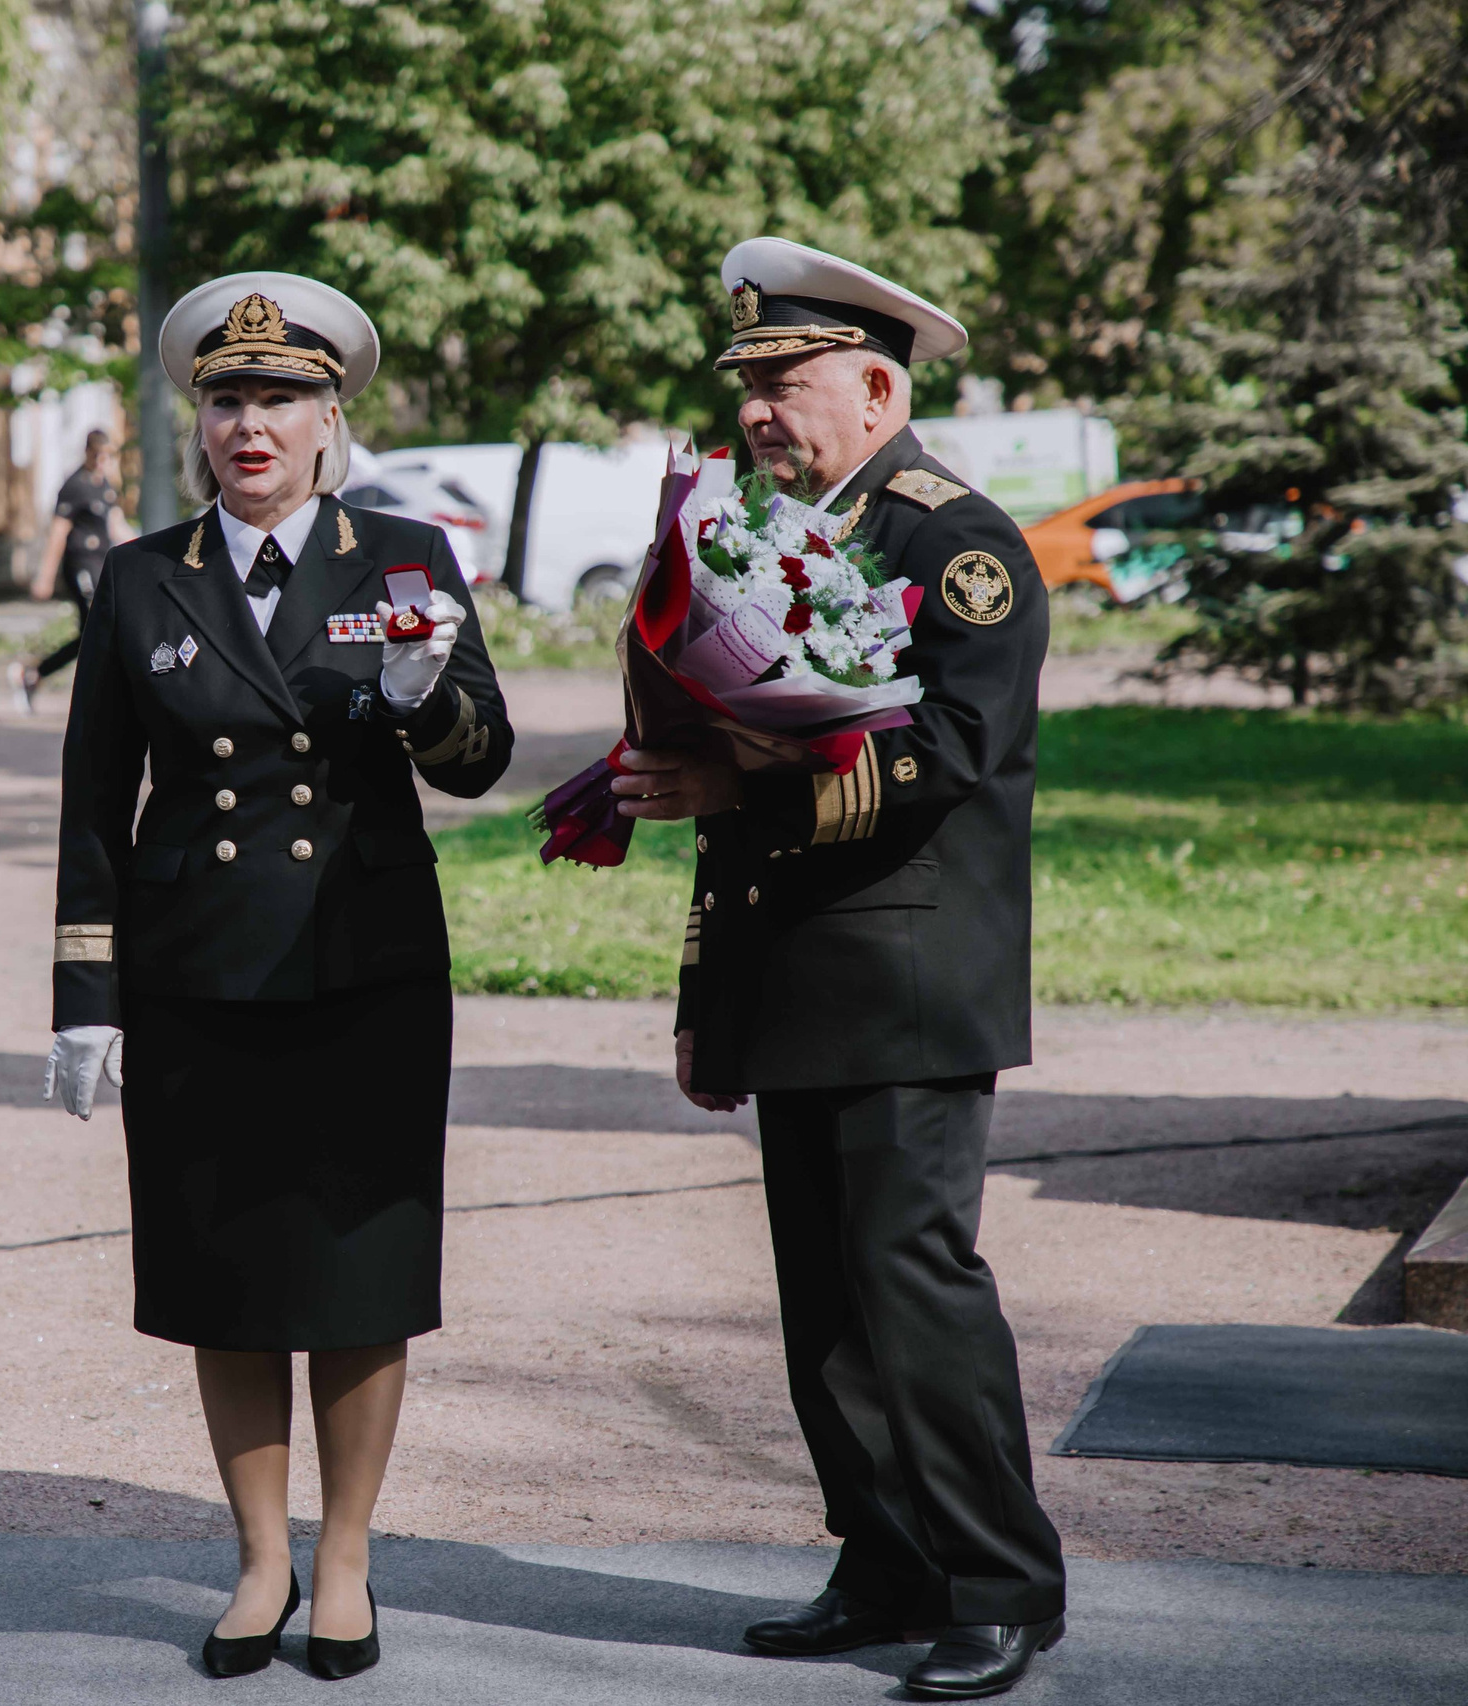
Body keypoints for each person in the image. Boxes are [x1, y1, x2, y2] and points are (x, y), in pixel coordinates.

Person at [615, 237, 1065, 1701]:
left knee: (911, 1282)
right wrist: (704, 997)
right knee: (823, 1297)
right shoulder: (760, 533)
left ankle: (998, 1583)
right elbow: (727, 767)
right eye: (744, 381)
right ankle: (882, 1564)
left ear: (877, 384)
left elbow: (951, 756)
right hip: (789, 978)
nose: (756, 409)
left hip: (907, 979)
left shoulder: (956, 541)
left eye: (785, 380)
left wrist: (739, 786)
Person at [46, 272, 513, 1681]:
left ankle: (349, 1555)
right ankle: (259, 1558)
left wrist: (429, 703)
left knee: (359, 1273)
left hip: (364, 965)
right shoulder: (139, 578)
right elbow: (92, 800)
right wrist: (86, 992)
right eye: (228, 398)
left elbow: (483, 758)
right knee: (228, 1272)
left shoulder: (407, 557)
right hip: (201, 976)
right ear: (198, 423)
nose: (254, 423)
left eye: (283, 399)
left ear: (331, 422)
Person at [12, 429, 132, 713]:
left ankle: (34, 675)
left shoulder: (106, 487)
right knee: (99, 624)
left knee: (91, 634)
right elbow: (58, 533)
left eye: (108, 456)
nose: (103, 462)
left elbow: (117, 527)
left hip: (102, 565)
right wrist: (45, 576)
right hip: (80, 566)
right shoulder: (74, 486)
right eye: (98, 455)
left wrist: (152, 551)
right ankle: (100, 696)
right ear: (88, 453)